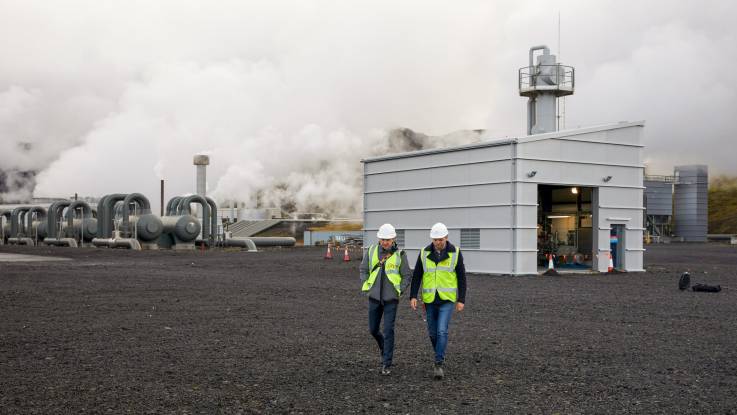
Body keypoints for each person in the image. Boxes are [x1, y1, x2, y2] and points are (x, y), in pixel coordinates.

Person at [410, 222, 466, 380]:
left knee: (442, 330)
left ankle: (438, 363)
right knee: (433, 333)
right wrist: (413, 296)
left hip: (447, 300)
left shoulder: (455, 253)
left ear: (446, 238)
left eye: (440, 239)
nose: (438, 242)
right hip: (429, 300)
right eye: (435, 239)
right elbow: (417, 276)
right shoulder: (424, 253)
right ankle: (439, 353)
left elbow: (462, 277)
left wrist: (461, 299)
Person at [360, 223, 411, 376]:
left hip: (391, 299)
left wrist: (399, 290)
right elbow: (364, 269)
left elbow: (406, 275)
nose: (385, 242)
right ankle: (383, 346)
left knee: (388, 330)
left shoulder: (400, 254)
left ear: (394, 238)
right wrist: (366, 284)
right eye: (383, 239)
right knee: (373, 329)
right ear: (379, 239)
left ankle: (386, 363)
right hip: (374, 298)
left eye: (388, 239)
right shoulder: (371, 251)